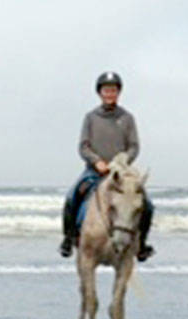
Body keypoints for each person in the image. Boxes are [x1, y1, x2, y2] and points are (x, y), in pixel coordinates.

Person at [60, 71, 154, 260]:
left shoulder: (127, 118)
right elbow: (83, 146)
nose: (110, 94)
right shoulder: (91, 117)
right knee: (71, 197)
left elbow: (134, 146)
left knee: (148, 204)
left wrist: (123, 161)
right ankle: (68, 239)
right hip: (94, 171)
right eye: (106, 90)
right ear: (100, 93)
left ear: (118, 93)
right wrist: (96, 162)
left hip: (120, 173)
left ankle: (142, 244)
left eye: (113, 90)